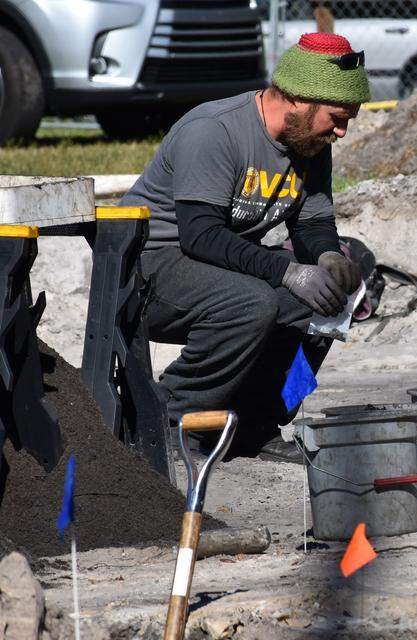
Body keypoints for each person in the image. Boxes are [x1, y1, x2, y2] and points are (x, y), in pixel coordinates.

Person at [120, 33, 371, 459]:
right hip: (149, 266)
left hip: (216, 262)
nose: (342, 131)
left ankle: (258, 423)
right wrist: (289, 271)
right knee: (254, 302)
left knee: (321, 304)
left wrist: (326, 256)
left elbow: (312, 222)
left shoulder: (309, 142)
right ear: (296, 100)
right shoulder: (214, 131)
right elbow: (200, 235)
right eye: (336, 117)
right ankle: (165, 418)